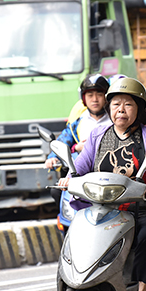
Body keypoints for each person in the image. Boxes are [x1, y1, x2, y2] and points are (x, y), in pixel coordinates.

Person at [58, 77, 146, 291]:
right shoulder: (98, 135)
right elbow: (81, 165)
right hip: (102, 205)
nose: (121, 110)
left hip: (141, 206)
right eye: (116, 104)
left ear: (139, 109)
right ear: (109, 108)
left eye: (128, 105)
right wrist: (70, 178)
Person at [45, 74, 113, 211]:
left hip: (110, 174)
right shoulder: (77, 123)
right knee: (56, 191)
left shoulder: (115, 120)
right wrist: (52, 157)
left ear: (106, 96)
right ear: (83, 98)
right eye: (90, 95)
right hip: (81, 174)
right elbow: (63, 141)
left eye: (99, 94)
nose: (95, 99)